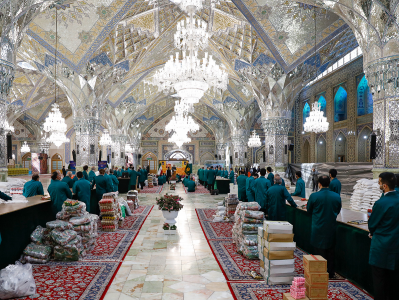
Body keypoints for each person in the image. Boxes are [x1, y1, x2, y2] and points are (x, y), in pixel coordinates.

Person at [368, 172, 399, 300]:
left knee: (379, 279)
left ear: (385, 186)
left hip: (381, 246)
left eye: (379, 182)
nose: (379, 185)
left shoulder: (381, 203)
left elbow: (372, 224)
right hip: (395, 245)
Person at [307, 175, 342, 279]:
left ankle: (319, 274)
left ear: (319, 184)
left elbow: (309, 210)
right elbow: (338, 210)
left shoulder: (314, 196)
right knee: (330, 252)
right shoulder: (336, 196)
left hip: (318, 227)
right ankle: (330, 273)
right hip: (331, 227)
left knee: (318, 252)